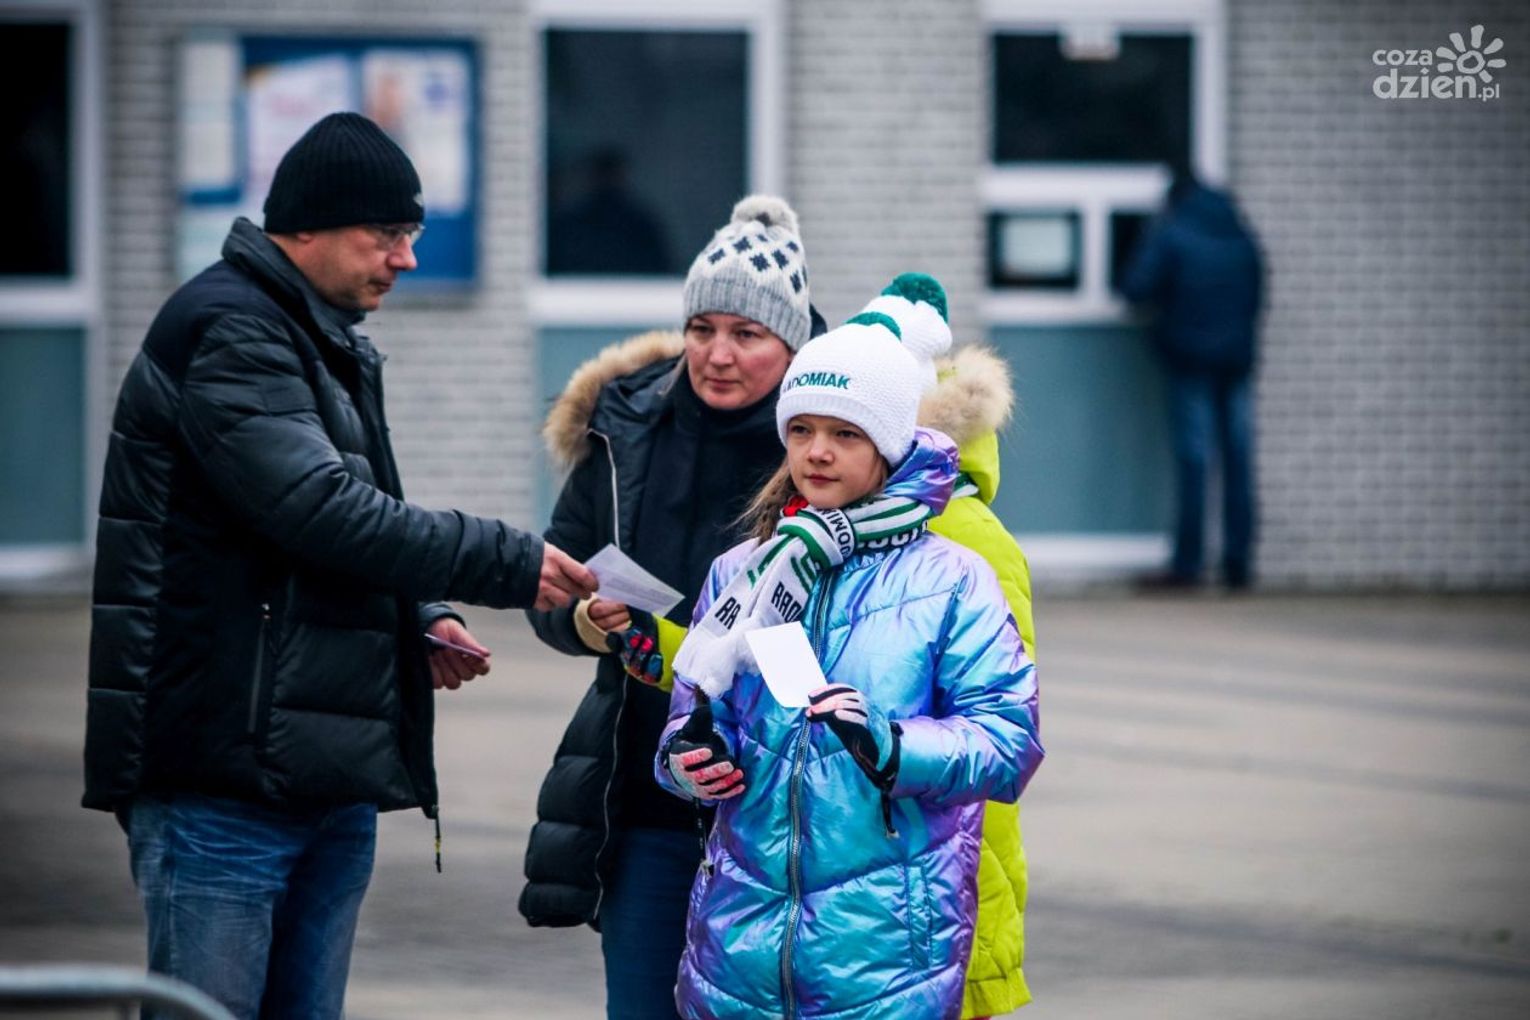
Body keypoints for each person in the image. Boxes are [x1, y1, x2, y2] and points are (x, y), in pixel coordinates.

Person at [82, 112, 596, 1020]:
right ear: (307, 227)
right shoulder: (232, 331)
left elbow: (316, 527)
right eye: (386, 234)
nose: (406, 259)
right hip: (223, 781)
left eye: (412, 235)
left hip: (313, 773)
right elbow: (321, 511)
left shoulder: (316, 332)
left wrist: (417, 611)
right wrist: (508, 561)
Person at [655, 282, 1044, 1019]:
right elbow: (694, 714)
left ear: (890, 443)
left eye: (846, 433)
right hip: (740, 953)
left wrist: (892, 748)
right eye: (801, 429)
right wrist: (688, 758)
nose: (818, 452)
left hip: (889, 956)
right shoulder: (744, 571)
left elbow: (1008, 744)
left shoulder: (953, 579)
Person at [520, 195, 819, 1019]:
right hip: (648, 804)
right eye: (702, 328)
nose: (717, 355)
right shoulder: (624, 426)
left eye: (747, 334)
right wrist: (586, 622)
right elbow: (555, 576)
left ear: (793, 344)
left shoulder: (826, 441)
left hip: (778, 810)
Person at [865, 275, 1039, 1017]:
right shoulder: (835, 527)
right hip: (866, 877)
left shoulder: (970, 540)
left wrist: (880, 745)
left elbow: (1003, 731)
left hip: (947, 877)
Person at [1121, 171, 1265, 590]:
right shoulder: (1241, 235)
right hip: (1236, 361)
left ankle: (1189, 564)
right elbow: (1257, 295)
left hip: (1190, 362)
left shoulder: (1172, 232)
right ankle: (1238, 564)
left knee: (1196, 461)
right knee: (1237, 459)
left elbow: (1135, 287)